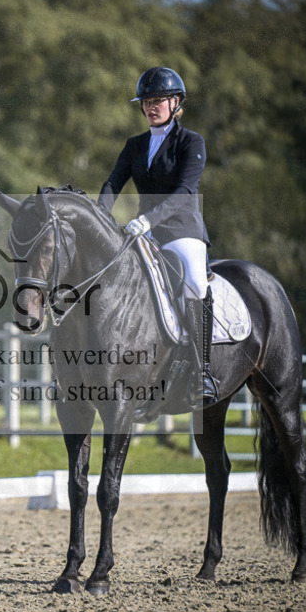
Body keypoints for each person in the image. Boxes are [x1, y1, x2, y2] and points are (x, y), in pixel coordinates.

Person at [97, 66, 217, 407]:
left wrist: (148, 220)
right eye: (147, 101)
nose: (151, 106)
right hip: (143, 233)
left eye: (159, 100)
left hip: (181, 231)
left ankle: (202, 371)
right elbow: (111, 184)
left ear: (175, 102)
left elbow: (184, 192)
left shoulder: (191, 142)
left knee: (194, 281)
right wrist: (99, 218)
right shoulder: (134, 145)